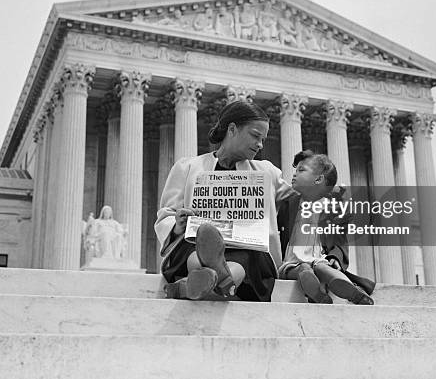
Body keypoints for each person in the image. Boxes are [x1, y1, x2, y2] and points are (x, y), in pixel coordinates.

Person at [155, 100, 293, 301]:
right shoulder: (187, 168)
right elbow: (166, 215)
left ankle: (196, 283)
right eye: (255, 136)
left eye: (263, 139)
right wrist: (177, 225)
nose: (260, 144)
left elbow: (300, 199)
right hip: (194, 244)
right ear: (232, 129)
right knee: (196, 247)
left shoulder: (266, 172)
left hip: (247, 249)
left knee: (247, 255)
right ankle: (221, 279)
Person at [278, 150, 375, 305]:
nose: (294, 174)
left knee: (324, 268)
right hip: (291, 260)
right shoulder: (288, 203)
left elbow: (339, 239)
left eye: (301, 170)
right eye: (295, 170)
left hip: (319, 258)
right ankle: (317, 293)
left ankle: (351, 291)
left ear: (318, 179)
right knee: (303, 269)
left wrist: (336, 258)